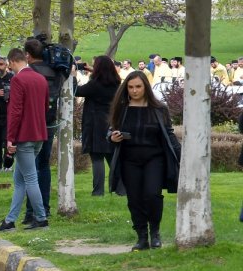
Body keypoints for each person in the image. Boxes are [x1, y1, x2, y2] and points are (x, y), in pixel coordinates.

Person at [108, 72, 181, 250]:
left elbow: (168, 133)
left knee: (152, 195)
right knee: (134, 199)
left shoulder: (159, 108)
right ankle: (141, 236)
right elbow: (111, 130)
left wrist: (180, 154)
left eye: (138, 86)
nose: (134, 90)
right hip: (129, 160)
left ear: (146, 87)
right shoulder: (121, 108)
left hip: (154, 159)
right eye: (131, 87)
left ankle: (154, 232)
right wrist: (113, 137)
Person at [0, 48, 49, 232]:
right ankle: (10, 221)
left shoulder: (18, 79)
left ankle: (41, 218)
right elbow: (45, 107)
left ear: (11, 62)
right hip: (39, 135)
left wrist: (10, 139)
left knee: (30, 178)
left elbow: (15, 111)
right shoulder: (41, 78)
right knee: (19, 179)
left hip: (24, 136)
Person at [24, 36, 63, 223]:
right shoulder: (55, 71)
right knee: (43, 165)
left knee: (30, 169)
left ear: (28, 55)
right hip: (49, 121)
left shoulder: (27, 72)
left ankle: (32, 211)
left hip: (31, 123)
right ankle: (44, 207)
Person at [75, 55, 120, 197]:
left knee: (97, 158)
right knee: (111, 157)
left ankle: (98, 191)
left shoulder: (95, 85)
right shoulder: (116, 83)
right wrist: (92, 70)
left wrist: (72, 75)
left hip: (95, 123)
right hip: (111, 122)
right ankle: (120, 189)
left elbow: (77, 91)